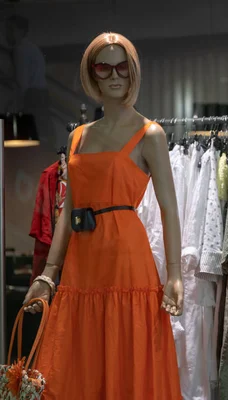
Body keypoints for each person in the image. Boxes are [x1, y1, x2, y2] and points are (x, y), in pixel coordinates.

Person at [22, 32, 184, 399]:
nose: (114, 75)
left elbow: (169, 206)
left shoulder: (150, 133)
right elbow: (68, 207)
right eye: (104, 66)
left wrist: (174, 273)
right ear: (91, 73)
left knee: (124, 351)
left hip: (126, 260)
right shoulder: (78, 137)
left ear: (133, 71)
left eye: (122, 66)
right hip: (82, 263)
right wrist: (49, 274)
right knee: (78, 358)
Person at [5, 15, 53, 145]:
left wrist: (16, 105)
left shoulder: (21, 49)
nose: (7, 33)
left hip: (32, 96)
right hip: (40, 95)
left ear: (20, 31)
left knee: (32, 137)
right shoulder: (31, 47)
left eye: (10, 29)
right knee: (42, 135)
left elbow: (23, 82)